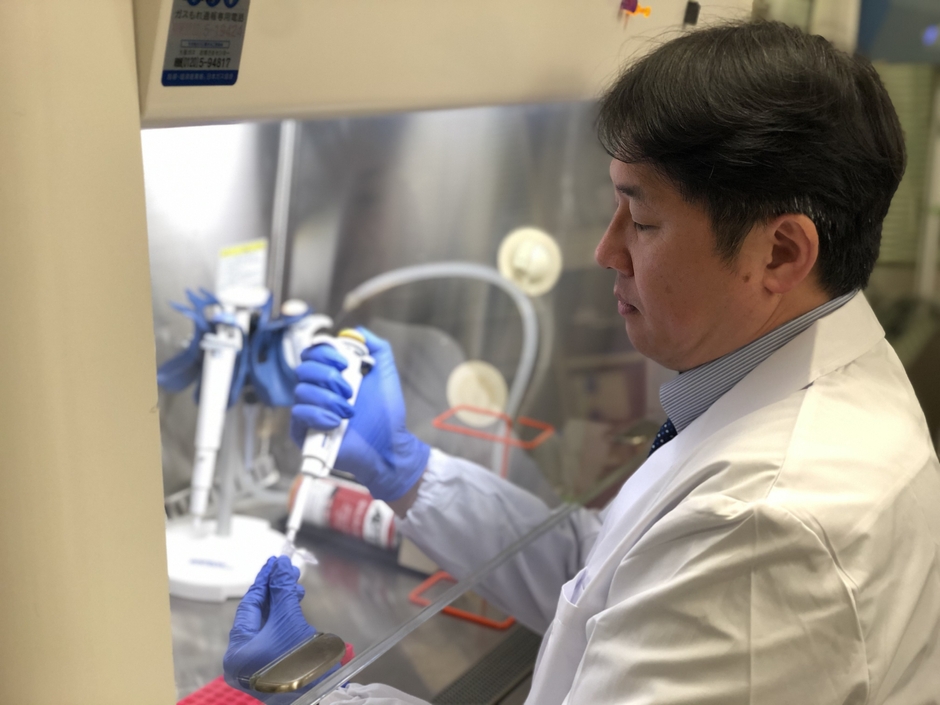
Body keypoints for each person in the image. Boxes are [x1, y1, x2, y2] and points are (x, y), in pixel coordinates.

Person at [225, 20, 940, 705]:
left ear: (781, 252)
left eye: (644, 219)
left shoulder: (764, 521)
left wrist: (314, 691)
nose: (606, 250)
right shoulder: (803, 386)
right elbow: (604, 577)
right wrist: (403, 466)